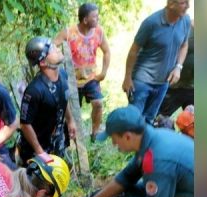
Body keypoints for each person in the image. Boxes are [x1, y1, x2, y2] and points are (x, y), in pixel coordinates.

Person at [122, 0, 191, 124]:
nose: (188, 6)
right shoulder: (151, 23)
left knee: (149, 120)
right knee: (133, 121)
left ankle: (144, 143)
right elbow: (133, 51)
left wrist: (178, 67)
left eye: (188, 2)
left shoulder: (185, 21)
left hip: (163, 83)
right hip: (142, 81)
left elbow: (184, 45)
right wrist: (127, 78)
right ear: (171, 4)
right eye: (183, 3)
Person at [54, 3, 111, 142]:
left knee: (98, 104)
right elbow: (52, 46)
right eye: (95, 17)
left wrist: (103, 72)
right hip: (72, 80)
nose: (98, 19)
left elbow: (107, 51)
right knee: (74, 111)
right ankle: (72, 138)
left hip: (91, 78)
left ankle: (95, 133)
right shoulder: (69, 32)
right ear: (85, 20)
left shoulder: (99, 32)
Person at [19, 36, 78, 166]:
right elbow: (24, 124)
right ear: (43, 63)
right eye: (51, 49)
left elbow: (63, 98)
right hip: (37, 147)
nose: (57, 49)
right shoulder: (34, 91)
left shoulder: (62, 74)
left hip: (56, 139)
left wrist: (70, 120)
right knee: (38, 185)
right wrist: (40, 152)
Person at [158, 24, 194, 117]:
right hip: (174, 85)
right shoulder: (187, 29)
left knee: (192, 125)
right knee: (159, 117)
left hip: (194, 88)